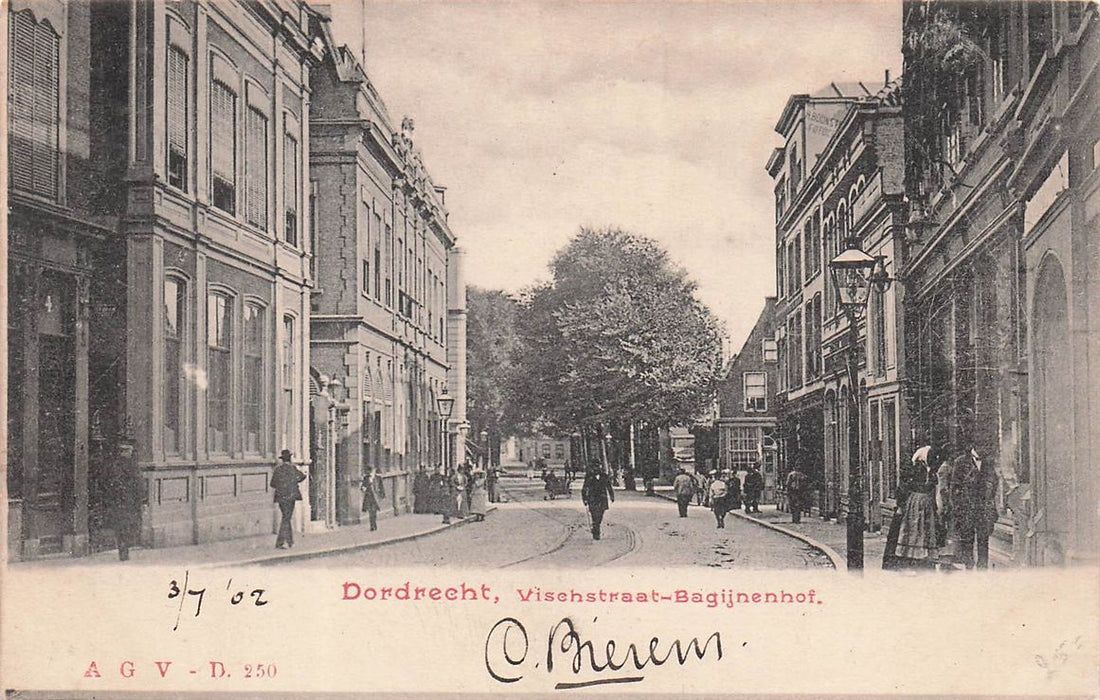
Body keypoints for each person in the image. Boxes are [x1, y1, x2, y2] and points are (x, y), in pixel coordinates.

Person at [948, 445, 998, 569]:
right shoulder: (960, 462)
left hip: (983, 509)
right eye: (982, 445)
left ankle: (983, 568)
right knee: (967, 540)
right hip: (966, 509)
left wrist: (990, 500)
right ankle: (969, 566)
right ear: (975, 446)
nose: (984, 449)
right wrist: (958, 508)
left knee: (983, 540)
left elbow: (994, 482)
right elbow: (954, 488)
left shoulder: (988, 462)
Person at [895, 446, 940, 569]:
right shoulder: (917, 469)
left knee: (923, 528)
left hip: (926, 502)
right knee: (915, 528)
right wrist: (901, 504)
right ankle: (913, 557)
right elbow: (905, 486)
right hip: (917, 502)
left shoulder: (930, 470)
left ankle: (922, 555)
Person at [108, 431, 144, 561]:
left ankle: (124, 550)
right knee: (125, 525)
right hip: (126, 501)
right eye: (125, 451)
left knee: (125, 526)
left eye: (128, 450)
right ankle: (124, 551)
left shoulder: (120, 464)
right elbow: (138, 483)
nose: (128, 453)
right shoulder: (128, 465)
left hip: (125, 501)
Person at [882, 451, 921, 570]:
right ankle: (896, 562)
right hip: (904, 511)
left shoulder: (904, 482)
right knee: (900, 536)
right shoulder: (907, 483)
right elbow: (902, 495)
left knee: (896, 537)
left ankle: (892, 562)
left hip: (902, 510)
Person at [271, 449, 307, 549]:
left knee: (286, 517)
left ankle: (290, 541)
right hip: (291, 496)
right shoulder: (292, 468)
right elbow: (302, 477)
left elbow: (272, 484)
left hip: (281, 497)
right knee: (286, 518)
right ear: (290, 458)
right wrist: (294, 481)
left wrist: (281, 486)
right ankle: (280, 543)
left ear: (282, 459)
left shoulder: (278, 469)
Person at [581, 463, 615, 540]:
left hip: (602, 499)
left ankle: (596, 527)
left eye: (598, 466)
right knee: (594, 515)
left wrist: (612, 496)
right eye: (595, 467)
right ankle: (596, 532)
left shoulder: (604, 476)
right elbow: (584, 488)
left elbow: (609, 487)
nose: (596, 469)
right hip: (592, 499)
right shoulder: (589, 477)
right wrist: (585, 499)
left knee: (600, 515)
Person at [361, 466, 386, 531]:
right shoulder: (366, 478)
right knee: (370, 511)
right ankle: (372, 525)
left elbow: (381, 487)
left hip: (375, 497)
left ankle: (374, 524)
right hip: (369, 497)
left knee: (374, 511)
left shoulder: (378, 478)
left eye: (370, 471)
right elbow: (363, 486)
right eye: (368, 472)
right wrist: (363, 488)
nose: (369, 473)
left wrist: (382, 495)